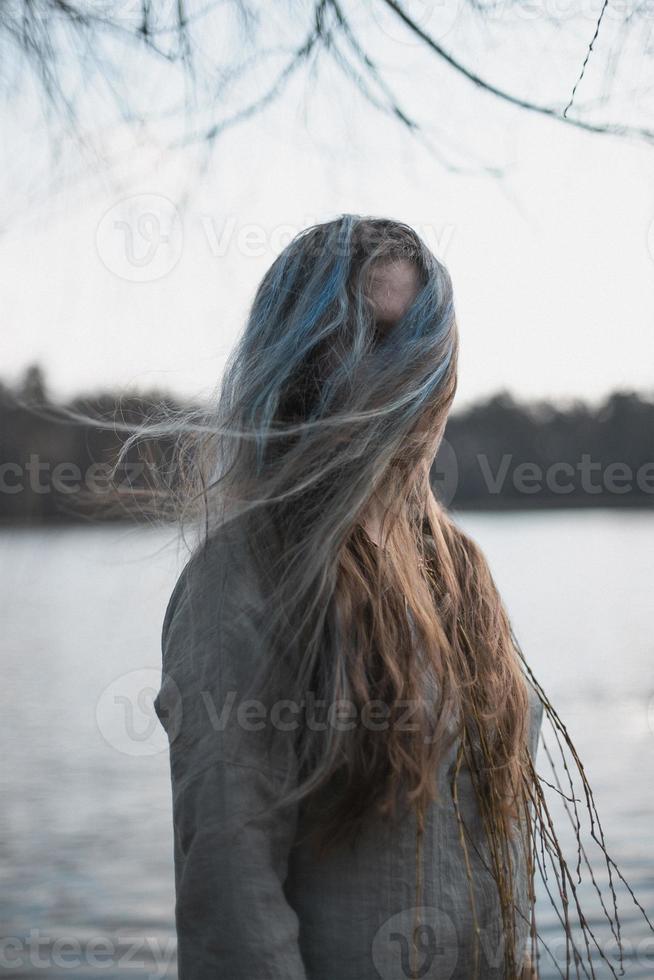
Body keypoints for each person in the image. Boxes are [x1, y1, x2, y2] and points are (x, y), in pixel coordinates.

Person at [154, 216, 543, 979]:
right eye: (363, 334)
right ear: (299, 362)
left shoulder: (462, 573)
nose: (396, 371)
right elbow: (234, 904)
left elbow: (502, 852)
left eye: (413, 338)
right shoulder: (241, 577)